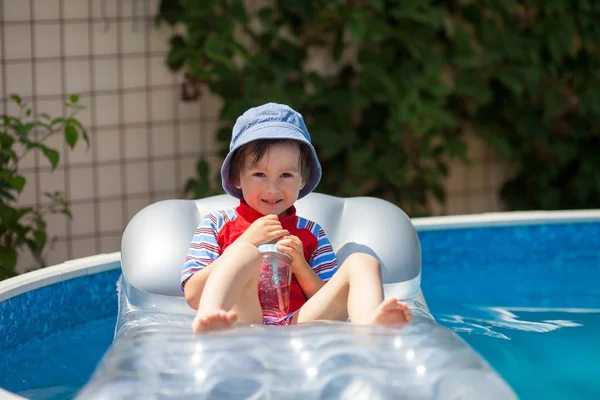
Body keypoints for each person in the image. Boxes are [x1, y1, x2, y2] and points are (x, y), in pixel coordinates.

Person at [181, 103, 412, 333]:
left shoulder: (311, 233)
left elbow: (329, 296)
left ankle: (372, 324)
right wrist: (245, 243)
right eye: (259, 174)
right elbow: (192, 295)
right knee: (243, 253)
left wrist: (301, 266)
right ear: (236, 177)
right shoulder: (216, 225)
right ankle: (209, 321)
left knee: (363, 261)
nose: (272, 188)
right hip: (243, 320)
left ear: (302, 180)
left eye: (286, 175)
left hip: (299, 323)